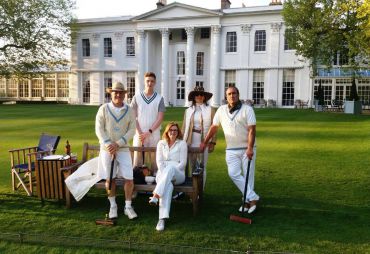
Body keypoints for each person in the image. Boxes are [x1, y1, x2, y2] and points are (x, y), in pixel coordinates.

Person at [200, 86, 259, 214]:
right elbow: (214, 127)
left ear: (238, 94)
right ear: (226, 97)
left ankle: (248, 202)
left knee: (249, 177)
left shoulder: (247, 109)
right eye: (229, 94)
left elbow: (252, 130)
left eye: (234, 93)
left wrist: (249, 148)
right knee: (233, 174)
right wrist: (205, 142)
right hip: (231, 149)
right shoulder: (221, 110)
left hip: (247, 148)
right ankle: (253, 197)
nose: (232, 96)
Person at [95, 81, 138, 220]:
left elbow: (132, 130)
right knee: (110, 178)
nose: (118, 95)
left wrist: (118, 144)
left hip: (123, 148)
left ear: (124, 95)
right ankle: (113, 206)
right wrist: (109, 144)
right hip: (107, 149)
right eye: (115, 92)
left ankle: (127, 206)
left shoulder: (130, 110)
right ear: (111, 93)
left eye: (120, 93)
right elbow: (99, 128)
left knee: (129, 179)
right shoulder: (103, 108)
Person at [148, 122, 188, 231]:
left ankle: (156, 196)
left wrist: (172, 170)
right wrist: (166, 173)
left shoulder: (182, 143)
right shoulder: (161, 143)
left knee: (170, 169)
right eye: (171, 130)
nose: (173, 132)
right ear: (167, 131)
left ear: (178, 132)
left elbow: (183, 163)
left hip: (178, 174)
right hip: (162, 174)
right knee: (168, 186)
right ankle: (162, 219)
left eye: (175, 130)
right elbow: (159, 162)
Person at [181, 86, 216, 190]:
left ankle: (201, 190)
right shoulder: (188, 111)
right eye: (197, 94)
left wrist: (212, 142)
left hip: (204, 141)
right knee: (192, 166)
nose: (199, 96)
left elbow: (214, 127)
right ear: (193, 97)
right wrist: (181, 142)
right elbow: (183, 127)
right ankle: (193, 189)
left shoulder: (210, 110)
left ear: (204, 97)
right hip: (190, 141)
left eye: (201, 94)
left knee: (202, 167)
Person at [131, 72, 165, 173]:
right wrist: (141, 133)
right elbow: (133, 117)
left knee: (155, 161)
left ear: (155, 83)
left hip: (154, 134)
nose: (150, 83)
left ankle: (155, 183)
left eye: (152, 81)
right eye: (148, 81)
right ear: (144, 82)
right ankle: (137, 184)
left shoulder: (159, 98)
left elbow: (160, 118)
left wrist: (149, 132)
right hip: (139, 134)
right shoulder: (136, 97)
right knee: (138, 162)